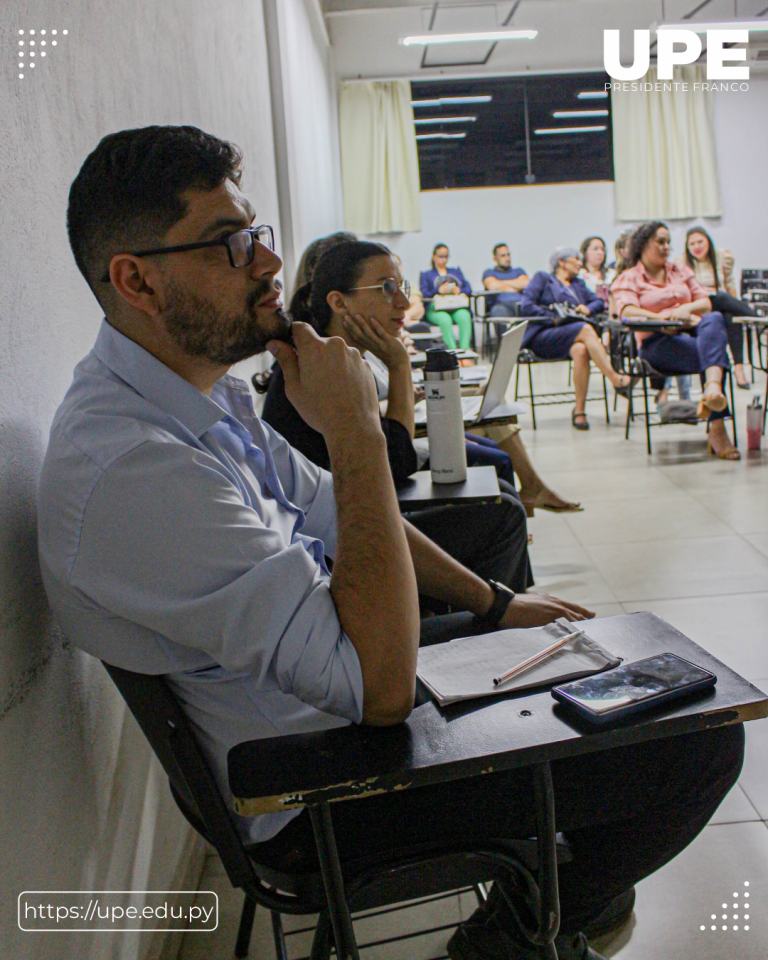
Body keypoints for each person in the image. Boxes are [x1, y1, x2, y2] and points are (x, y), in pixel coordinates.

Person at [39, 125, 744, 960]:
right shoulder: (134, 469)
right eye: (232, 245)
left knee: (601, 659)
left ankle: (552, 899)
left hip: (347, 703)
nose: (268, 262)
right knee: (697, 745)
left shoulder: (195, 405)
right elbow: (376, 691)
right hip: (325, 787)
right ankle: (517, 933)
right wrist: (358, 435)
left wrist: (498, 603)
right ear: (137, 281)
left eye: (256, 232)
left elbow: (341, 516)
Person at [260, 239, 535, 592]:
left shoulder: (336, 353)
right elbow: (398, 460)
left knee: (502, 491)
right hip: (335, 546)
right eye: (387, 288)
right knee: (505, 516)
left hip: (356, 518)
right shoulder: (321, 365)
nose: (403, 302)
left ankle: (515, 605)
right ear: (339, 302)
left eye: (401, 287)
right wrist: (399, 363)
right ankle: (502, 622)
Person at [611, 221, 740, 460]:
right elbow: (627, 311)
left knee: (713, 319)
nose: (666, 247)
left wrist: (686, 309)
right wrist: (663, 317)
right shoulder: (629, 277)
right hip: (657, 345)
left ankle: (712, 389)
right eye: (660, 242)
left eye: (668, 242)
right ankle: (718, 426)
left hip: (692, 334)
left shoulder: (680, 271)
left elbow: (705, 302)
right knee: (711, 352)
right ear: (643, 245)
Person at [520, 247, 634, 430]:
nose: (580, 263)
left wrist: (587, 309)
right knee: (586, 328)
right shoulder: (543, 278)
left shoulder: (578, 284)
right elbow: (526, 306)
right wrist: (552, 316)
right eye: (576, 259)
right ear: (562, 262)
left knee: (581, 350)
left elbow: (598, 301)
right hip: (544, 335)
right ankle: (615, 379)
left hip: (572, 336)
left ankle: (579, 410)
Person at [677, 226, 755, 389]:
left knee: (730, 317)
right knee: (718, 296)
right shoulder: (682, 262)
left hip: (720, 304)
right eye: (692, 244)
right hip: (699, 307)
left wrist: (733, 302)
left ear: (708, 242)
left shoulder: (721, 257)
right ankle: (758, 318)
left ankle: (739, 369)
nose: (697, 247)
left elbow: (729, 284)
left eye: (700, 242)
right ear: (687, 246)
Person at [420, 243, 473, 349]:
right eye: (441, 256)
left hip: (456, 305)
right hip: (436, 308)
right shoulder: (426, 275)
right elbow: (424, 294)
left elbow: (468, 289)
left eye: (446, 256)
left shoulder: (456, 272)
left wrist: (459, 290)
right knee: (445, 320)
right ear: (434, 256)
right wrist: (438, 291)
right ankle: (452, 351)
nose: (444, 259)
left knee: (465, 316)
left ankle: (465, 351)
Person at [579, 236, 614, 308]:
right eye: (595, 249)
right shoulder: (579, 274)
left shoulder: (612, 273)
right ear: (585, 252)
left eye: (602, 249)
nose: (600, 252)